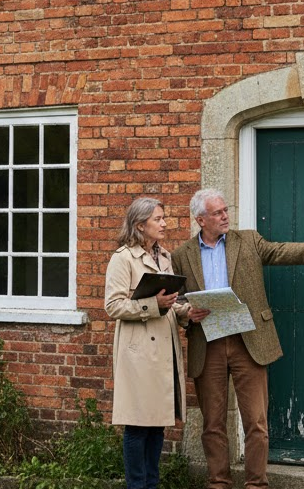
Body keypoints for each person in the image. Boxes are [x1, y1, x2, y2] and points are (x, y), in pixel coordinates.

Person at [170, 188, 304, 489]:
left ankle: (256, 484)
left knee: (256, 422)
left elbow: (282, 252)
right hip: (207, 343)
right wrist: (186, 312)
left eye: (225, 210)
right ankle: (218, 483)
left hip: (247, 342)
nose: (225, 216)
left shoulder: (248, 241)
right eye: (217, 213)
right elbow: (173, 300)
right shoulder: (181, 256)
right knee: (213, 424)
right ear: (200, 219)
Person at [104, 197, 190, 489]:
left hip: (164, 349)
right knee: (138, 425)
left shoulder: (164, 257)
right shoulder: (123, 258)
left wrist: (187, 312)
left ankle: (152, 484)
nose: (164, 223)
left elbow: (169, 304)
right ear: (141, 225)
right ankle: (137, 485)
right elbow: (113, 306)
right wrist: (153, 304)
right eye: (158, 219)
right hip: (138, 352)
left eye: (164, 218)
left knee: (157, 424)